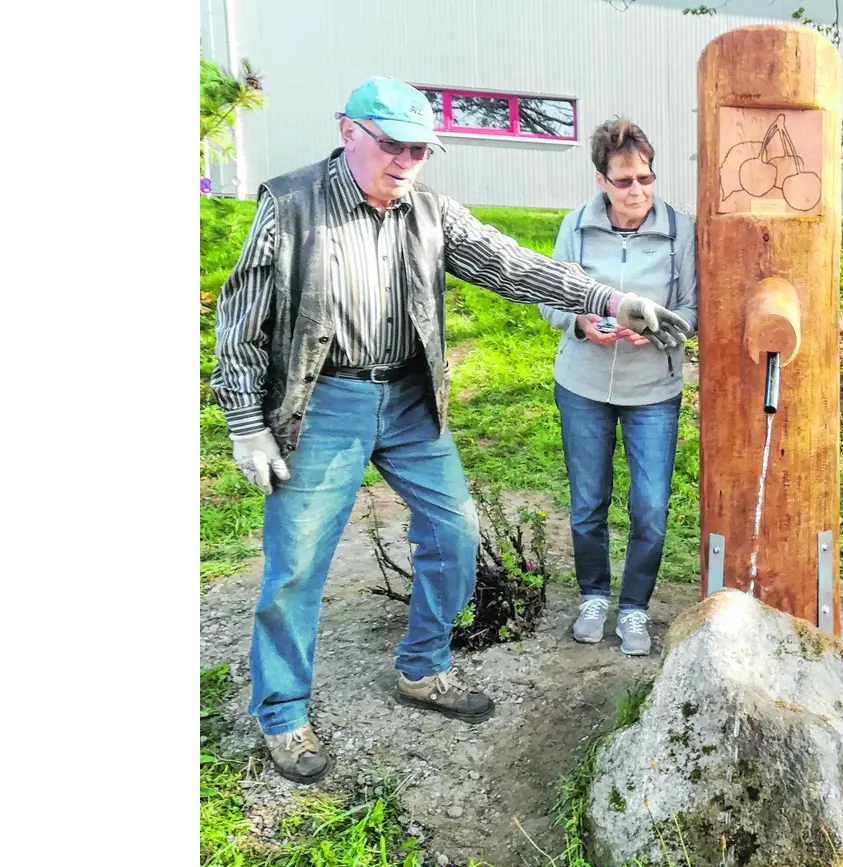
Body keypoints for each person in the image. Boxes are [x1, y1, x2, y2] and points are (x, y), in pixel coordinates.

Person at [210, 77, 690, 784]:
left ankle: (424, 666)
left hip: (409, 399)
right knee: (298, 563)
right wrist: (246, 424)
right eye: (393, 146)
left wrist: (610, 296)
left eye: (420, 150)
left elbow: (515, 266)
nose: (406, 161)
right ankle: (282, 710)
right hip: (325, 400)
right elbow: (241, 321)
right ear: (349, 132)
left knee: (456, 533)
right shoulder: (291, 204)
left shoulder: (432, 213)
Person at [540, 118, 697, 657]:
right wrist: (580, 323)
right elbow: (550, 297)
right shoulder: (576, 227)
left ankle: (634, 608)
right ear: (601, 180)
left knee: (650, 507)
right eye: (625, 181)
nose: (639, 191)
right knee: (588, 503)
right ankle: (594, 596)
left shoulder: (681, 230)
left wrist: (655, 328)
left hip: (653, 387)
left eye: (647, 178)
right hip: (583, 384)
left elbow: (694, 310)